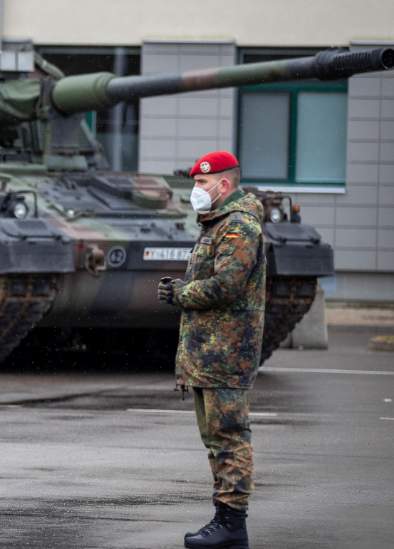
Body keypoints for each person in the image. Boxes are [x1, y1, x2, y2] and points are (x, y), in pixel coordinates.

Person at [157, 151, 265, 549]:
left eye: (202, 183)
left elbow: (226, 285)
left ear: (224, 185)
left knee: (230, 436)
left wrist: (180, 293)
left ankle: (232, 525)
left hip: (226, 352)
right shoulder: (217, 224)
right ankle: (224, 521)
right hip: (208, 353)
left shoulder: (238, 226)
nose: (195, 191)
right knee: (216, 440)